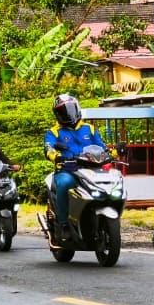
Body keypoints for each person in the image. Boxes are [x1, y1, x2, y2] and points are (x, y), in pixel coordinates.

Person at [43, 94, 109, 240]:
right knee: (65, 183)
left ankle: (106, 216)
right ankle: (64, 224)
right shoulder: (54, 132)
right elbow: (48, 148)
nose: (67, 114)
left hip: (92, 170)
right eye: (62, 111)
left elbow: (103, 148)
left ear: (77, 108)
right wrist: (56, 156)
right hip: (68, 170)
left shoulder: (90, 129)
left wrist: (116, 151)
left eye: (69, 109)